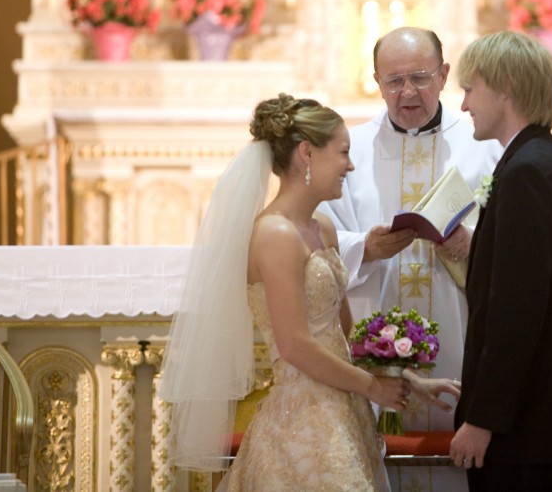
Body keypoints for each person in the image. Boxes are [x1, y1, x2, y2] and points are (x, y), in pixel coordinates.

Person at [159, 94, 458, 490]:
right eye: (343, 153)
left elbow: (346, 337)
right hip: (304, 418)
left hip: (346, 409)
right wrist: (372, 388)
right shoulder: (274, 234)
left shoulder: (323, 228)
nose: (350, 166)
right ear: (307, 154)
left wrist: (402, 378)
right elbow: (295, 345)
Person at [319, 27, 501, 492]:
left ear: (443, 76)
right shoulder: (350, 149)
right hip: (371, 325)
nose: (407, 93)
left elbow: (514, 238)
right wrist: (365, 247)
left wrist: (471, 242)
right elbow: (312, 238)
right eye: (393, 81)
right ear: (376, 81)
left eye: (420, 78)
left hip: (460, 322)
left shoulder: (484, 144)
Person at [449, 31, 552, 490]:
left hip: (521, 428)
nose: (464, 104)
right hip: (530, 424)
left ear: (504, 87)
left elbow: (517, 314)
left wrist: (481, 420)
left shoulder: (527, 172)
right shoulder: (539, 159)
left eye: (469, 88)